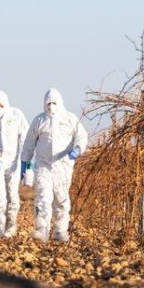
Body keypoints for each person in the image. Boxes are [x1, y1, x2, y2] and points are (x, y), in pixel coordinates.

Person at [20, 88, 88, 242]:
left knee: (61, 199)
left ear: (60, 102)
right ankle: (42, 229)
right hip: (43, 165)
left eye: (54, 102)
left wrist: (77, 149)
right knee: (43, 197)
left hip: (63, 165)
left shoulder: (70, 118)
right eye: (48, 103)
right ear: (44, 103)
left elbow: (82, 135)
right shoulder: (39, 120)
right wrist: (25, 161)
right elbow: (29, 143)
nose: (51, 106)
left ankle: (60, 230)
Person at [0, 90, 30, 238]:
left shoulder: (16, 115)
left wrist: (25, 159)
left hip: (13, 160)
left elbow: (26, 136)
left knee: (12, 193)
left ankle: (11, 223)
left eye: (1, 105)